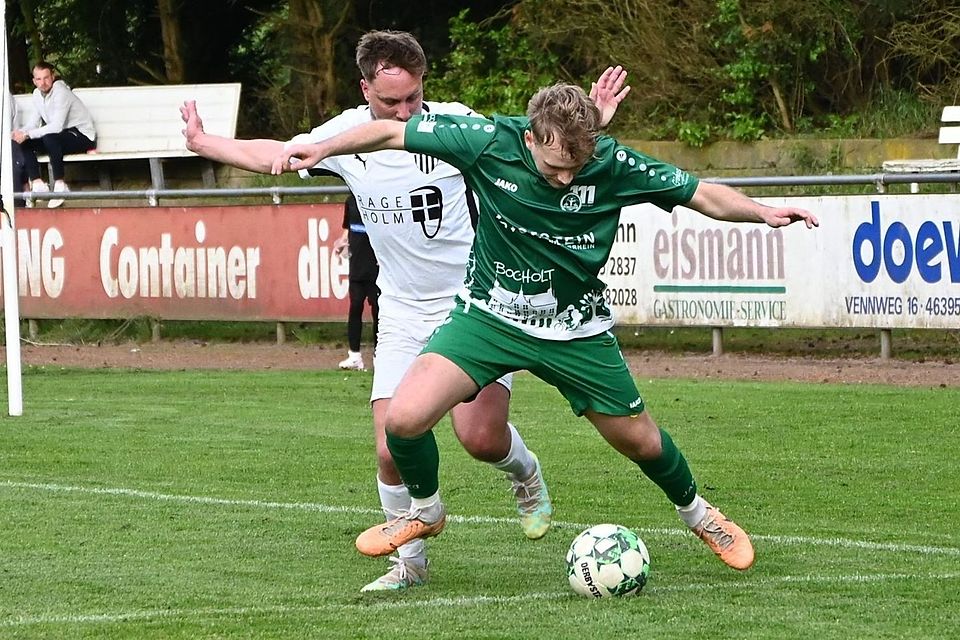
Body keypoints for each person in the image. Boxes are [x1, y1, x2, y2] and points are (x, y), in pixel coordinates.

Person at [275, 83, 820, 575]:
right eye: (556, 166)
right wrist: (323, 148)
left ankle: (701, 516)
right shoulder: (487, 141)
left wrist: (761, 211)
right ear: (531, 137)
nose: (566, 179)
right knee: (403, 419)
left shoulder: (610, 161)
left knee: (642, 441)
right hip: (488, 318)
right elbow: (391, 132)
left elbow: (700, 193)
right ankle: (426, 511)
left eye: (576, 167)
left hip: (574, 328)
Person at [181, 30, 626, 592]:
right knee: (390, 446)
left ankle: (526, 474)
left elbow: (535, 145)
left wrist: (593, 121)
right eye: (391, 102)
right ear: (364, 88)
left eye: (414, 97)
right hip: (401, 309)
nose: (405, 112)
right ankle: (410, 563)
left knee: (480, 438)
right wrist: (203, 142)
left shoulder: (454, 125)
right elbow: (273, 154)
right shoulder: (345, 136)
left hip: (476, 305)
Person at [13, 61, 96, 208]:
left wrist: (28, 134)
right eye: (38, 79)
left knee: (49, 137)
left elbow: (57, 126)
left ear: (52, 77)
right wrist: (20, 133)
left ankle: (60, 184)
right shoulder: (37, 94)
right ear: (34, 81)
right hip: (60, 137)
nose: (43, 83)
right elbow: (33, 122)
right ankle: (38, 184)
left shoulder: (61, 92)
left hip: (82, 135)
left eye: (46, 78)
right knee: (25, 142)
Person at [334, 194, 379, 371]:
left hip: (377, 266)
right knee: (355, 307)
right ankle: (354, 356)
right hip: (357, 265)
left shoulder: (377, 199)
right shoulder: (351, 201)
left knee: (378, 311)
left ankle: (379, 356)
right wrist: (342, 242)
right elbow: (348, 229)